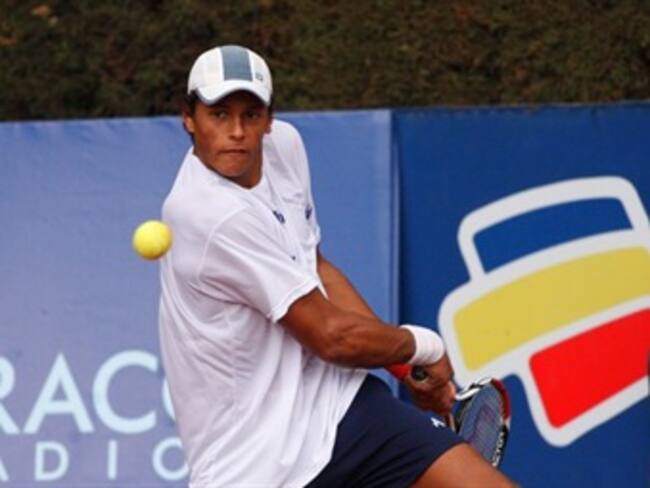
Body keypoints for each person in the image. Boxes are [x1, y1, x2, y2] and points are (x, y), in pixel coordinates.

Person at [159, 44, 516, 487]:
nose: (236, 131)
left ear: (269, 120)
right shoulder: (208, 214)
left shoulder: (284, 147)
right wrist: (422, 347)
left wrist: (403, 368)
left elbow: (315, 266)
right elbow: (331, 336)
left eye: (251, 115)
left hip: (340, 408)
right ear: (188, 118)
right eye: (219, 114)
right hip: (256, 464)